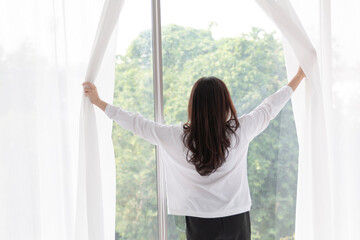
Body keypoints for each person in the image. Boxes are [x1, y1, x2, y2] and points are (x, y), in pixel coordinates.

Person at [82, 66, 305, 240]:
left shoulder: (177, 137)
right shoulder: (240, 131)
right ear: (225, 103)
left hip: (200, 222)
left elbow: (137, 124)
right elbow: (270, 107)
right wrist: (299, 76)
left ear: (194, 106)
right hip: (237, 218)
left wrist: (100, 102)